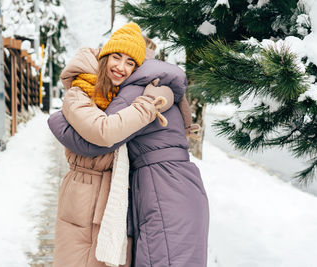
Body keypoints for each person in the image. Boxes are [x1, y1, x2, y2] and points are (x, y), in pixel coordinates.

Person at [49, 22, 209, 267]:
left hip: (142, 189)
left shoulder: (133, 92)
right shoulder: (81, 92)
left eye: (131, 62)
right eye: (116, 57)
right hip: (87, 191)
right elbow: (101, 136)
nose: (121, 67)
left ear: (140, 66)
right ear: (104, 56)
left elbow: (102, 138)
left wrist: (59, 121)